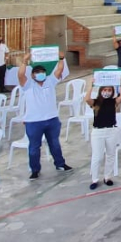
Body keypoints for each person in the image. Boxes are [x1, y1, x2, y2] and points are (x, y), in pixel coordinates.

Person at [18, 53, 72, 181]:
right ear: (32, 75)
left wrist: (61, 58)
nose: (40, 74)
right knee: (34, 147)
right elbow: (20, 75)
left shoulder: (50, 81)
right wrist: (24, 62)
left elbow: (59, 70)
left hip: (52, 119)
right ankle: (35, 170)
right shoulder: (28, 85)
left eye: (42, 72)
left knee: (54, 143)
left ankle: (60, 164)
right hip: (34, 122)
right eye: (37, 72)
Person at [86, 83, 121, 190]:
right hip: (98, 132)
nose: (107, 92)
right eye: (105, 90)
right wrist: (91, 85)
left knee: (111, 154)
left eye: (109, 90)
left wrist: (120, 83)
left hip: (111, 130)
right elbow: (87, 98)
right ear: (101, 90)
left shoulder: (113, 101)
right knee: (97, 157)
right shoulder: (96, 102)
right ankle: (95, 178)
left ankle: (108, 177)